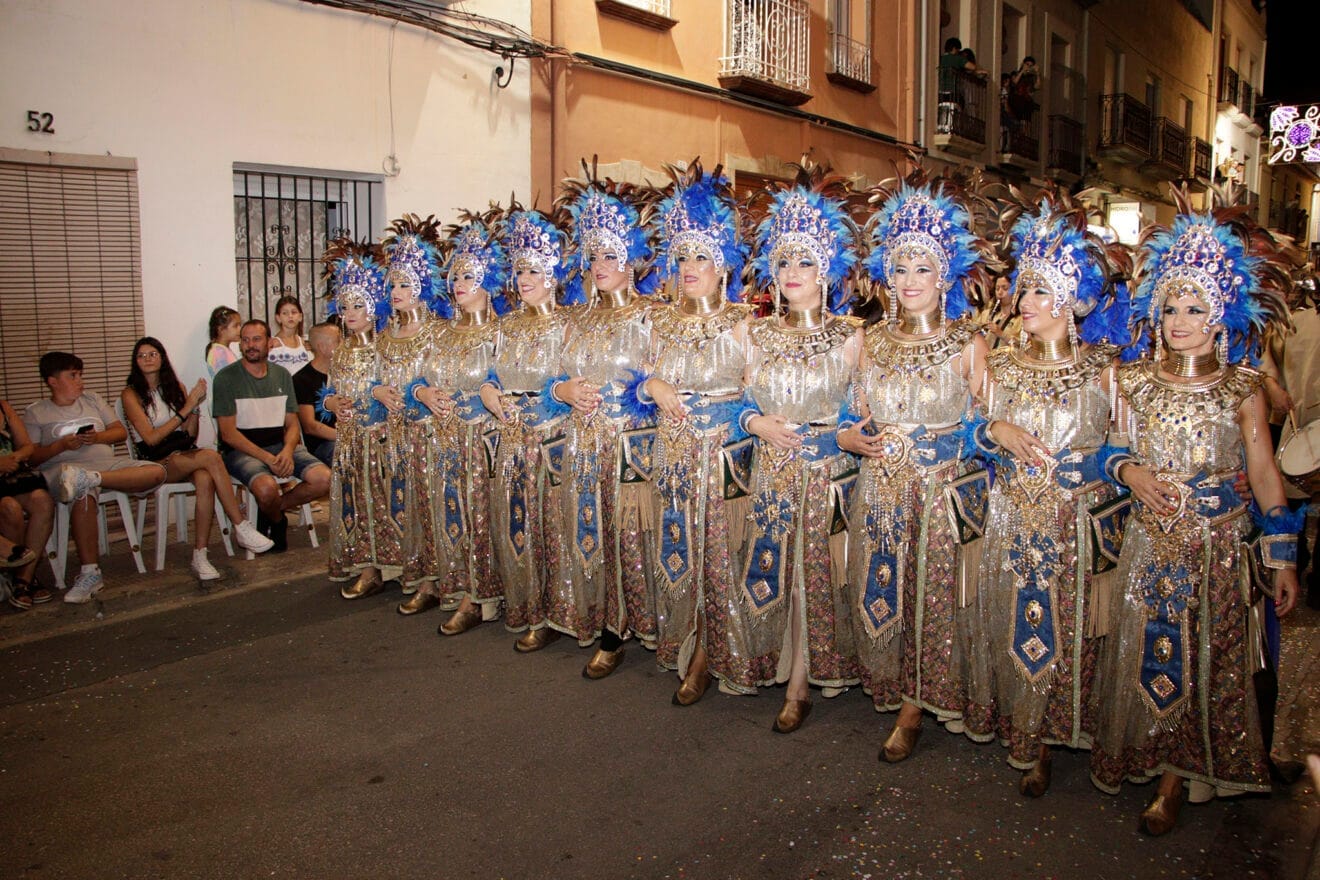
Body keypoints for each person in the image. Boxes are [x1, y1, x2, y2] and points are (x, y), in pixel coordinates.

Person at [1089, 192, 1300, 835]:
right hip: (1149, 541)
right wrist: (1130, 471)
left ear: (1221, 317)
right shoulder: (1132, 381)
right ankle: (1150, 755)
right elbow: (1108, 449)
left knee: (1206, 653)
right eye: (1172, 305)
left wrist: (1282, 551)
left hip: (1217, 543)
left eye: (1196, 307)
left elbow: (1263, 470)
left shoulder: (1242, 386)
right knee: (1151, 648)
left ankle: (1181, 775)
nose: (1180, 319)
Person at [963, 188, 1131, 796]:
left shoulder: (1106, 368)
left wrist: (1098, 468)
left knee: (1070, 625)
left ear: (1072, 299)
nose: (1022, 300)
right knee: (1018, 623)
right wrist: (995, 429)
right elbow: (971, 434)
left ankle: (1067, 731)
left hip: (1073, 526)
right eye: (1022, 288)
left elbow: (1127, 451)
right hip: (1012, 519)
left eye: (1038, 290)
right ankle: (1028, 736)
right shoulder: (1002, 365)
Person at [841, 171, 996, 762]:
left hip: (937, 498)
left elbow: (991, 428)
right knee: (885, 591)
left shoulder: (968, 345)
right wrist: (849, 440)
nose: (908, 282)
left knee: (930, 597)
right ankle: (890, 682)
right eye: (900, 268)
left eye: (922, 269)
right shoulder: (869, 340)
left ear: (946, 277)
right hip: (877, 490)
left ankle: (916, 703)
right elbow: (847, 418)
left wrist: (949, 450)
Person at [737, 168, 865, 733]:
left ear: (828, 270)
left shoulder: (852, 334)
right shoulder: (757, 332)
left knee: (814, 575)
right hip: (770, 468)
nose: (792, 273)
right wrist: (756, 422)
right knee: (774, 567)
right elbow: (738, 401)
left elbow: (864, 412)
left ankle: (802, 681)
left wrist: (834, 437)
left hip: (825, 472)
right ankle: (774, 661)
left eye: (805, 262)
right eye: (784, 262)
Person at [642, 160, 754, 704]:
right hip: (672, 455)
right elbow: (632, 382)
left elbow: (760, 396)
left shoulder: (744, 325)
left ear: (724, 265)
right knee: (676, 546)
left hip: (721, 459)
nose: (689, 266)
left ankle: (712, 652)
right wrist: (655, 386)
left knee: (719, 554)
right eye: (682, 255)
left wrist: (730, 417)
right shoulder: (658, 320)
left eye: (701, 257)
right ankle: (681, 638)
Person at [548, 164, 659, 678]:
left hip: (631, 448)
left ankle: (625, 628)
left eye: (611, 254)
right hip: (582, 444)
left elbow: (666, 380)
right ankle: (595, 615)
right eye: (594, 255)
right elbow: (553, 380)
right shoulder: (576, 317)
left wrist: (636, 392)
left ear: (633, 258)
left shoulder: (652, 315)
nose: (599, 264)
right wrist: (565, 390)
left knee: (628, 536)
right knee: (587, 530)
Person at [406, 212, 508, 624]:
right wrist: (423, 392)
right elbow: (419, 378)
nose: (459, 284)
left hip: (483, 441)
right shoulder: (443, 332)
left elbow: (507, 382)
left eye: (469, 277)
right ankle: (449, 584)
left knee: (479, 516)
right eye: (455, 277)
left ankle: (480, 596)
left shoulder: (502, 331)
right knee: (447, 514)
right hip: (442, 441)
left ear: (489, 284)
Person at [479, 206, 573, 649]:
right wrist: (488, 395)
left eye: (534, 269)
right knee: (514, 523)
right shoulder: (506, 325)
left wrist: (551, 398)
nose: (524, 279)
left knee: (551, 528)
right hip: (510, 440)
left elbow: (575, 383)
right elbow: (490, 378)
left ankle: (555, 612)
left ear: (553, 273)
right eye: (519, 271)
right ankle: (524, 605)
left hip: (552, 443)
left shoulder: (570, 324)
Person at [344, 215, 446, 603]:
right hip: (391, 434)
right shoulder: (385, 337)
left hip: (429, 434)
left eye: (405, 283)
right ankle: (403, 570)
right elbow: (372, 379)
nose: (397, 290)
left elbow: (441, 380)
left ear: (422, 286)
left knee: (427, 507)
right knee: (395, 504)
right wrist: (377, 392)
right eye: (393, 284)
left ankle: (431, 583)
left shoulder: (438, 331)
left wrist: (414, 392)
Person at [121, 338, 274, 579]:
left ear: (162, 357)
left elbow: (189, 434)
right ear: (135, 361)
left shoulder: (175, 387)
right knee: (212, 457)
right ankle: (241, 525)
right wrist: (186, 408)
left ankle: (200, 555)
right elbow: (150, 439)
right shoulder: (130, 394)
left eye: (153, 354)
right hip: (154, 461)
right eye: (142, 355)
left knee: (204, 478)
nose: (148, 359)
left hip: (181, 453)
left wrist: (194, 407)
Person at [24, 352, 168, 603]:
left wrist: (96, 437)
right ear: (53, 381)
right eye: (73, 376)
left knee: (157, 471)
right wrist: (61, 446)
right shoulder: (37, 412)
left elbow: (119, 432)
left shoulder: (92, 400)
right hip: (63, 470)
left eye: (80, 375)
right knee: (80, 492)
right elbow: (32, 457)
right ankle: (91, 574)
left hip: (104, 466)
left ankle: (92, 478)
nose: (80, 381)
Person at [318, 240, 399, 594]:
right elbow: (330, 390)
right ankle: (362, 561)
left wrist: (373, 394)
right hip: (349, 439)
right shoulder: (342, 350)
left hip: (378, 438)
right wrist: (332, 403)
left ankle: (383, 567)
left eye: (358, 305)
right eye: (345, 306)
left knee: (378, 502)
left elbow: (392, 389)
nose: (350, 313)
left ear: (374, 307)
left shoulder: (384, 345)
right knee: (352, 499)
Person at [212, 320, 330, 553]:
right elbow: (228, 434)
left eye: (256, 339)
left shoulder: (282, 375)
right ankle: (277, 521)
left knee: (324, 479)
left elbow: (292, 423)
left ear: (268, 343)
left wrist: (287, 451)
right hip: (241, 450)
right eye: (245, 340)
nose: (250, 345)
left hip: (280, 445)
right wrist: (267, 458)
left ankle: (273, 510)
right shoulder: (226, 379)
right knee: (266, 489)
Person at [0, 397, 54, 609]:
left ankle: (25, 576)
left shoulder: (3, 406)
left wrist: (14, 458)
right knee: (9, 508)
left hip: (13, 477)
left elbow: (26, 446)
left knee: (42, 501)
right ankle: (19, 576)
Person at [294, 322, 342, 468]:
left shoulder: (343, 375)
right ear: (322, 347)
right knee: (344, 452)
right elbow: (310, 426)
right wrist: (345, 438)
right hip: (322, 445)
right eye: (338, 341)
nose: (343, 344)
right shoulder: (302, 379)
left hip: (344, 437)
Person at [268, 295, 312, 374]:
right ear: (278, 318)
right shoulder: (274, 344)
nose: (290, 316)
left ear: (300, 317)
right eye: (285, 313)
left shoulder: (301, 341)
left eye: (294, 312)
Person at [205, 306, 241, 379]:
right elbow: (228, 380)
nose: (240, 329)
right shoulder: (219, 353)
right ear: (221, 329)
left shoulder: (222, 350)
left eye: (240, 325)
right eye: (235, 326)